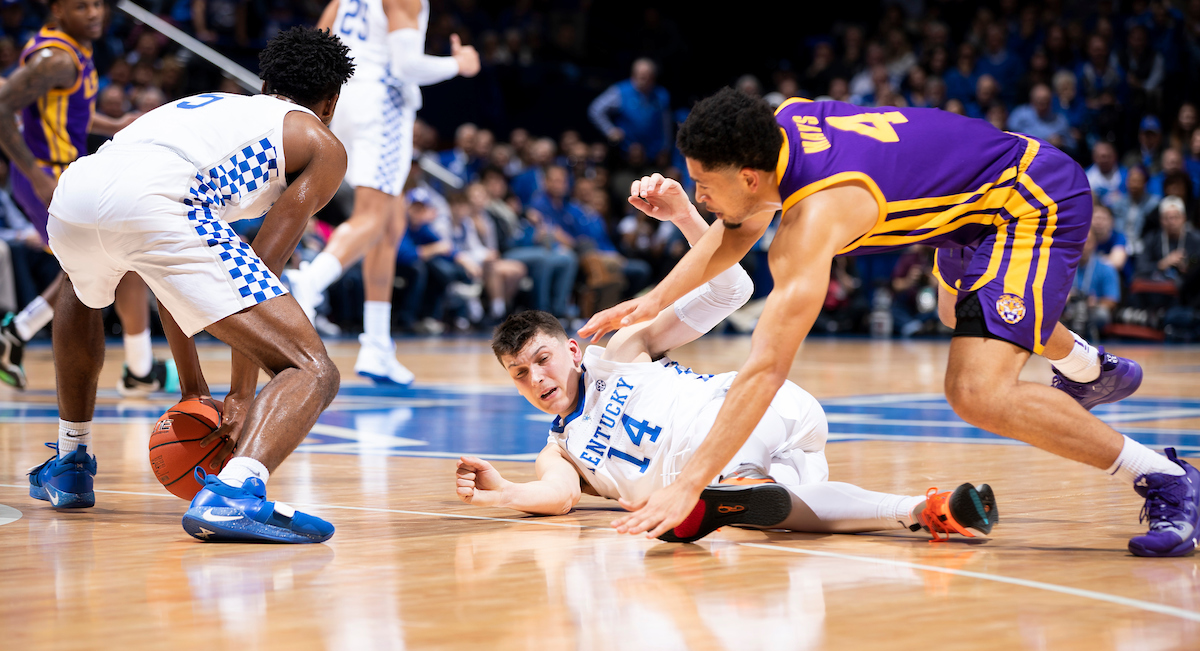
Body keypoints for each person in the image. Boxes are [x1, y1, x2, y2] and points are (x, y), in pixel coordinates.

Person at [582, 89, 1198, 559]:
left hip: (1030, 200)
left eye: (703, 185)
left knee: (976, 389)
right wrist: (654, 300)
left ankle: (1168, 478)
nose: (699, 197)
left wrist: (689, 484)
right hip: (968, 204)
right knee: (958, 313)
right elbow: (738, 227)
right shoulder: (781, 125)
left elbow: (765, 370)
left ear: (748, 175)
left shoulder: (814, 221)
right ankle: (1087, 367)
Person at [459, 177, 996, 543]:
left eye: (543, 359)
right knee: (787, 511)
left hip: (752, 412)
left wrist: (685, 217)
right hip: (773, 465)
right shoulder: (560, 449)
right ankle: (927, 509)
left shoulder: (621, 351)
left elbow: (731, 290)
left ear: (573, 350)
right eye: (520, 374)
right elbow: (557, 497)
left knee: (738, 490)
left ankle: (729, 489)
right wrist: (502, 493)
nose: (537, 378)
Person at [28, 27, 354, 545]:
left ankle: (70, 463)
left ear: (264, 85)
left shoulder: (210, 106)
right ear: (331, 101)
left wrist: (193, 389)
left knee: (79, 288)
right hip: (162, 202)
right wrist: (240, 394)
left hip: (77, 191)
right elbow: (262, 269)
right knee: (311, 368)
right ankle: (235, 492)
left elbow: (174, 272)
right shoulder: (320, 142)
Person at [285, 0, 480, 384]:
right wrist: (459, 64)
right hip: (382, 104)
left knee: (390, 227)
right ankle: (308, 283)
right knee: (372, 218)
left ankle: (377, 345)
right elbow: (406, 66)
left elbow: (317, 44)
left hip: (344, 101)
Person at [0, 0, 170, 393]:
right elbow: (4, 109)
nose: (94, 13)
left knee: (104, 259)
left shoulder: (74, 47)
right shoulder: (57, 59)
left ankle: (18, 333)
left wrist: (113, 123)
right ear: (58, 9)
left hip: (66, 172)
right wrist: (37, 176)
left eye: (97, 4)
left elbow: (67, 109)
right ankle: (138, 370)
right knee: (116, 254)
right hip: (48, 174)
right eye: (81, 6)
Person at [587, 58, 672, 168]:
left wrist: (665, 148)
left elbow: (666, 124)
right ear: (633, 75)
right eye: (640, 75)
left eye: (647, 76)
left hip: (653, 153)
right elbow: (595, 109)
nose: (644, 79)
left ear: (653, 77)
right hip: (626, 151)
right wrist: (609, 130)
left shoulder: (661, 94)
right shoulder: (620, 91)